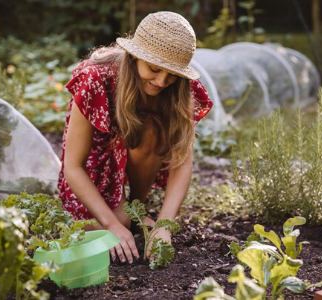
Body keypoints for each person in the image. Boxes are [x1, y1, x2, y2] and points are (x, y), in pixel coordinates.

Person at [57, 11, 213, 264]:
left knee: (153, 129)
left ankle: (136, 207)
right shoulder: (94, 78)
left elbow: (182, 159)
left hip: (134, 152)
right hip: (94, 167)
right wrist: (111, 225)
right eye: (154, 69)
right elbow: (73, 167)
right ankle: (124, 216)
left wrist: (165, 225)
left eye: (172, 73)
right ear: (134, 57)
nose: (163, 81)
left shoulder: (180, 86)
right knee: (114, 225)